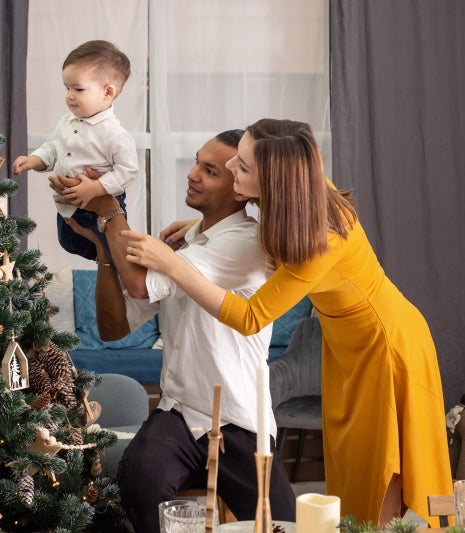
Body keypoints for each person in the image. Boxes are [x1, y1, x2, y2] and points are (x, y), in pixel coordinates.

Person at [118, 119, 453, 525]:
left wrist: (173, 263)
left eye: (241, 167)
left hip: (386, 347)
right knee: (354, 470)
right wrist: (199, 228)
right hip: (346, 346)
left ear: (274, 179)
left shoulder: (322, 237)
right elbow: (271, 234)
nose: (230, 171)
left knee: (383, 471)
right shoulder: (299, 196)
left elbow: (250, 316)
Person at [49, 130, 296, 533]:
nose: (193, 174)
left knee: (282, 524)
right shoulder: (188, 242)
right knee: (140, 482)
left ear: (239, 188)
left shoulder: (245, 242)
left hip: (238, 418)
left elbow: (140, 284)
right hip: (178, 413)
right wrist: (101, 249)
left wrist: (110, 208)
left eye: (209, 170)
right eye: (197, 162)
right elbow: (114, 328)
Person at [12, 39, 137, 261]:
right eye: (67, 88)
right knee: (68, 242)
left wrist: (97, 188)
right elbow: (55, 148)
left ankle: (111, 267)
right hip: (66, 207)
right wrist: (33, 160)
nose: (70, 95)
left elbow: (128, 171)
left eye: (78, 89)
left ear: (107, 93)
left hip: (96, 210)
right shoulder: (67, 122)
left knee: (112, 254)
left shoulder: (114, 134)